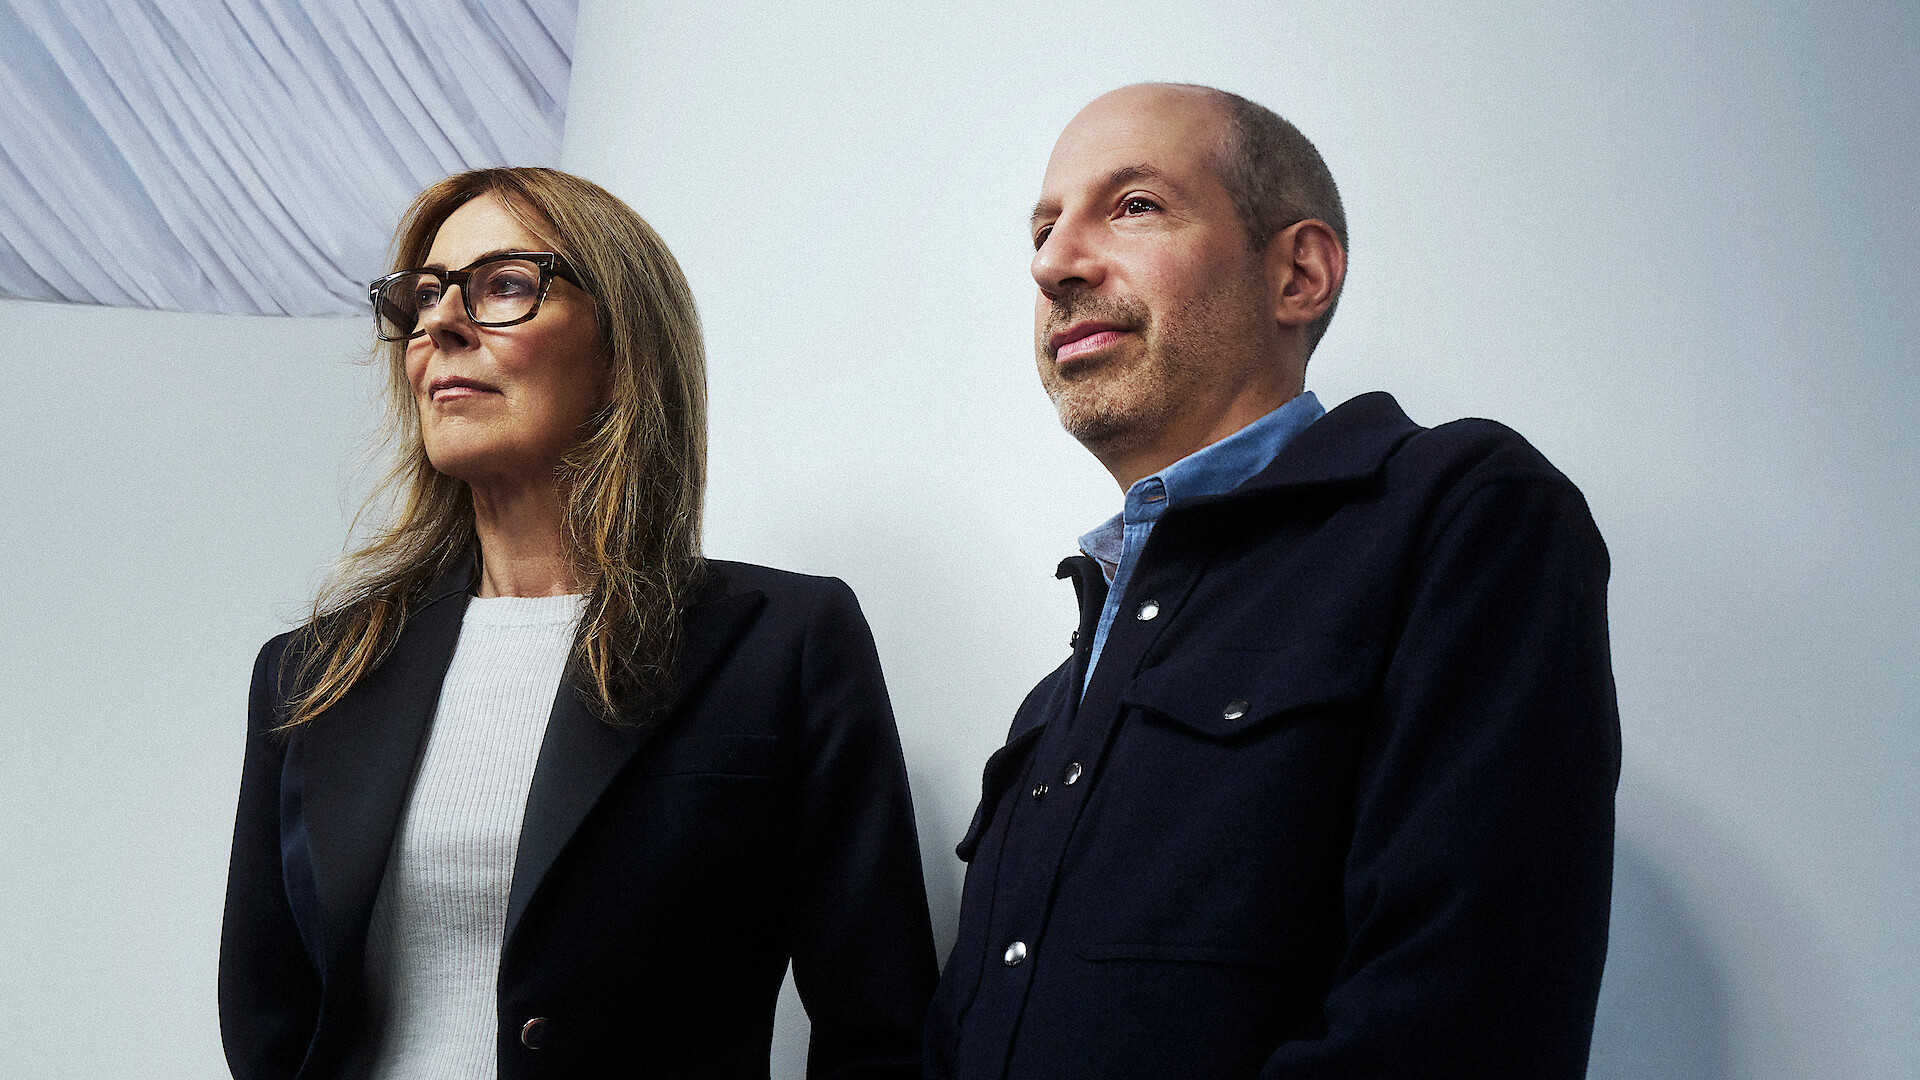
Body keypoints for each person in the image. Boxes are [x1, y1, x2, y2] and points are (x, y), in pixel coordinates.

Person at [924, 84, 1619, 1079]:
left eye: (1133, 206)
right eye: (1043, 229)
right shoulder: (1052, 709)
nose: (1053, 263)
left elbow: (1458, 1023)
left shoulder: (1460, 516)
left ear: (1299, 272)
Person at [219, 167, 937, 1080]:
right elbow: (269, 1026)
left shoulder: (785, 644)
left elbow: (882, 1032)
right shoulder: (314, 672)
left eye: (505, 286)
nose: (439, 324)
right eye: (424, 296)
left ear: (621, 347)